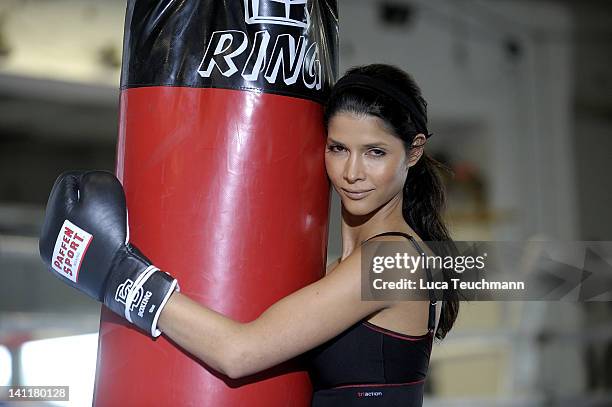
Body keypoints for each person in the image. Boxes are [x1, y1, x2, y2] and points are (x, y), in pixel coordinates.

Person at [39, 63, 460, 406]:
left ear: (415, 151)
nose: (352, 172)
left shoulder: (392, 262)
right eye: (338, 148)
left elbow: (239, 354)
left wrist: (119, 275)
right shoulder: (342, 266)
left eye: (375, 153)